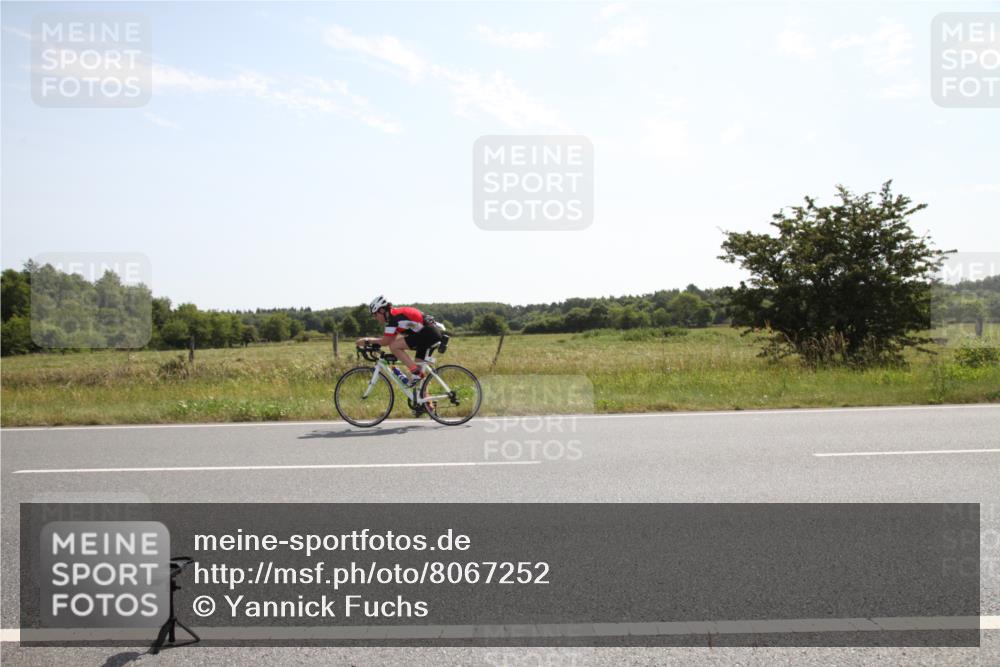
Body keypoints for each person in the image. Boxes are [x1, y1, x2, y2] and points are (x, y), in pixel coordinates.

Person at [356, 296, 443, 387]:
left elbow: (386, 342)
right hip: (429, 334)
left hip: (428, 334)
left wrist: (367, 340)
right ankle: (426, 400)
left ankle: (416, 373)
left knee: (394, 346)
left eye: (375, 314)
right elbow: (390, 339)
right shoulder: (394, 317)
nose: (374, 317)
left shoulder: (394, 318)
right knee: (418, 382)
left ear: (382, 310)